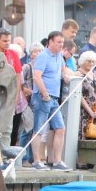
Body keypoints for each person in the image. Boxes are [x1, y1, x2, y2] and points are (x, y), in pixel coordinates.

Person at [30, 31, 73, 171]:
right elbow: (37, 77)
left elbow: (63, 71)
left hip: (54, 97)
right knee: (39, 129)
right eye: (58, 42)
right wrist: (45, 94)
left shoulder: (59, 56)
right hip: (43, 97)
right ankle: (36, 160)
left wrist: (69, 76)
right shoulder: (43, 57)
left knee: (60, 128)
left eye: (62, 42)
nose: (61, 45)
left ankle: (57, 161)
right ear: (50, 42)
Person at [77, 51, 96, 139]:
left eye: (93, 61)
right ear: (83, 61)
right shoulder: (78, 74)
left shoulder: (95, 74)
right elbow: (78, 95)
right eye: (88, 61)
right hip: (83, 111)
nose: (91, 64)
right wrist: (90, 112)